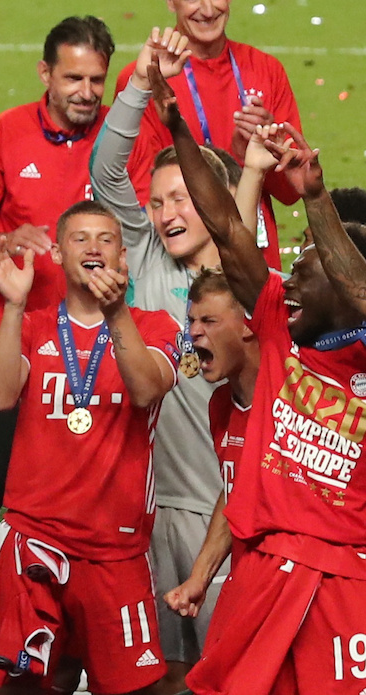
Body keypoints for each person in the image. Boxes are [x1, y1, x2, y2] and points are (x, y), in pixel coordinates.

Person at [147, 60, 366, 695]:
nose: (287, 278)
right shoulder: (274, 327)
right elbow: (225, 227)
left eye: (305, 267)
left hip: (345, 576)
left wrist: (317, 199)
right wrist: (175, 123)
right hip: (265, 567)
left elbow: (357, 284)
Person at [89, 28, 278, 692]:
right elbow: (105, 170)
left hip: (230, 509)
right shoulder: (141, 254)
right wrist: (141, 81)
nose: (168, 211)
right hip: (152, 504)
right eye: (159, 199)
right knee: (164, 672)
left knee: (227, 672)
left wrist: (253, 170)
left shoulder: (251, 284)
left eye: (183, 198)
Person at [0, 17, 116, 673]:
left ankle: (80, 624)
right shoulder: (9, 134)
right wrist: (5, 244)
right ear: (45, 73)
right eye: (73, 77)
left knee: (88, 492)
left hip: (91, 350)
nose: (86, 91)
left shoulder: (116, 138)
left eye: (97, 79)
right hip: (8, 344)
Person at [0, 199, 179, 695]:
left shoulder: (156, 326)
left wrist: (116, 314)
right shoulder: (32, 325)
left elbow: (146, 389)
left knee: (131, 688)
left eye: (105, 239)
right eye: (79, 238)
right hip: (35, 538)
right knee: (22, 687)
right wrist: (14, 305)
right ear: (59, 256)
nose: (92, 247)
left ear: (123, 257)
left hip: (115, 551)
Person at [114, 0, 302, 269]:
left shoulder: (267, 71)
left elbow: (291, 191)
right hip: (180, 268)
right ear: (171, 2)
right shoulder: (146, 80)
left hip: (255, 262)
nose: (207, 9)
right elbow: (143, 194)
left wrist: (264, 152)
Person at [163, 268, 259, 624]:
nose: (194, 332)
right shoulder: (221, 404)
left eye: (209, 321)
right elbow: (235, 491)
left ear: (248, 324)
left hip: (302, 590)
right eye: (191, 321)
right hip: (248, 584)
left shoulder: (294, 399)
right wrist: (199, 577)